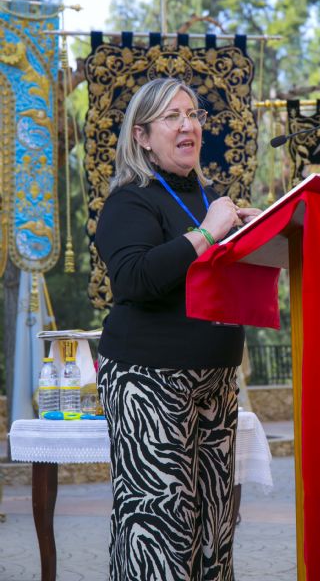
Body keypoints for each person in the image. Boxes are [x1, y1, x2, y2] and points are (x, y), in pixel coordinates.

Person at [95, 77, 260, 581]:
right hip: (151, 382)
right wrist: (209, 232)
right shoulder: (130, 200)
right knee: (162, 532)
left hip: (213, 381)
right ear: (142, 136)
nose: (188, 125)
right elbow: (135, 277)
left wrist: (256, 235)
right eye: (172, 117)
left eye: (193, 114)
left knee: (212, 533)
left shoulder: (205, 198)